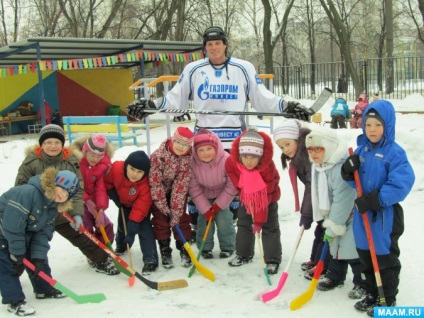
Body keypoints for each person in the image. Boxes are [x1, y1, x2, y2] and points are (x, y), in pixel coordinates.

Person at [126, 26, 313, 150]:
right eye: (209, 44)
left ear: (225, 45)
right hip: (204, 139)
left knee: (233, 191)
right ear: (204, 48)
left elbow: (261, 97)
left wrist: (288, 107)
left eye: (217, 43)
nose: (214, 48)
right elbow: (176, 98)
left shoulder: (243, 67)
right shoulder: (194, 69)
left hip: (234, 138)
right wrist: (150, 105)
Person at [341, 100, 415, 316]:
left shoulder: (395, 153)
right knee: (365, 255)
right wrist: (347, 171)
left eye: (377, 125)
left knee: (384, 258)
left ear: (388, 126)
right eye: (368, 124)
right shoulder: (361, 150)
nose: (372, 130)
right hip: (362, 214)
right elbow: (355, 181)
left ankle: (387, 299)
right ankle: (373, 293)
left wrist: (376, 200)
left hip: (384, 215)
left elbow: (402, 182)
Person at [14, 124, 119, 276]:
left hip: (62, 211)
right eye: (48, 142)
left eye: (57, 142)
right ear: (42, 144)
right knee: (27, 244)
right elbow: (20, 189)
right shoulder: (31, 162)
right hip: (37, 212)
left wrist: (77, 213)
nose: (53, 146)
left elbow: (77, 189)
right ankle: (10, 273)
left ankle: (101, 260)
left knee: (81, 235)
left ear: (62, 144)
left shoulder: (69, 160)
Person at [0, 168, 78, 317]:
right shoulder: (27, 193)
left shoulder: (52, 207)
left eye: (66, 194)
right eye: (61, 188)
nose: (61, 194)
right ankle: (15, 301)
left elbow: (43, 233)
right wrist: (18, 252)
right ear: (52, 184)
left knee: (38, 259)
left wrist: (38, 257)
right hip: (3, 231)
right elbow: (12, 226)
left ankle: (44, 289)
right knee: (6, 265)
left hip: (21, 233)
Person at [305, 127, 367, 298]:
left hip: (351, 216)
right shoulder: (319, 167)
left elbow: (343, 201)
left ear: (329, 147)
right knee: (335, 249)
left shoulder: (341, 170)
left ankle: (362, 283)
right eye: (310, 149)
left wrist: (332, 225)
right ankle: (335, 276)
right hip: (333, 216)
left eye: (319, 148)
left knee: (352, 251)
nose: (314, 153)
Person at [272, 119, 330, 279]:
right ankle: (316, 260)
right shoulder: (300, 156)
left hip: (328, 199)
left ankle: (323, 265)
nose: (285, 149)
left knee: (326, 232)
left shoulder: (308, 156)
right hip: (320, 199)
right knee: (321, 230)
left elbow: (313, 187)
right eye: (281, 147)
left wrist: (306, 214)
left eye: (287, 144)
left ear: (298, 139)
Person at [225, 128, 282, 274]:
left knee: (269, 228)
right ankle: (243, 254)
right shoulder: (233, 163)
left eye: (253, 157)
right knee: (244, 224)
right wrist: (242, 186)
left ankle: (272, 260)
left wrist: (258, 221)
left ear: (261, 157)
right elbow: (230, 171)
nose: (249, 161)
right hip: (246, 197)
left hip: (267, 199)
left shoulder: (267, 168)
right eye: (245, 157)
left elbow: (266, 192)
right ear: (240, 155)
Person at [104, 150, 159, 275]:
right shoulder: (116, 169)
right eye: (132, 169)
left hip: (140, 207)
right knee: (123, 225)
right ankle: (121, 245)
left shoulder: (146, 184)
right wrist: (114, 195)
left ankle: (150, 260)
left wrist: (133, 229)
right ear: (126, 166)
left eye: (140, 172)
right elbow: (107, 181)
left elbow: (140, 208)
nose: (135, 174)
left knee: (144, 230)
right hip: (123, 203)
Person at [149, 127, 194, 269]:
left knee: (180, 219)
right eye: (179, 143)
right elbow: (155, 183)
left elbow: (181, 187)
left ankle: (183, 248)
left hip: (177, 191)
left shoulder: (187, 159)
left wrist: (175, 211)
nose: (182, 147)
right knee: (161, 220)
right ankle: (165, 250)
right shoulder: (158, 156)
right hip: (159, 191)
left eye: (186, 145)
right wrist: (162, 205)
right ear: (172, 140)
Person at [189, 129, 237, 259]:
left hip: (223, 194)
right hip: (203, 196)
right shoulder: (192, 163)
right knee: (204, 220)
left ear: (216, 147)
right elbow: (194, 188)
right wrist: (206, 209)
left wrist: (218, 205)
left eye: (209, 148)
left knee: (224, 219)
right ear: (195, 151)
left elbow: (232, 185)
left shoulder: (227, 160)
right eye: (201, 150)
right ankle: (205, 247)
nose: (205, 153)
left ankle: (228, 246)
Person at [69, 135, 115, 248]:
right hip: (78, 201)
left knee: (104, 225)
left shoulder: (102, 165)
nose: (95, 159)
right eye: (92, 155)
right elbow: (75, 185)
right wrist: (86, 200)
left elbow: (101, 188)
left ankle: (104, 249)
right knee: (86, 227)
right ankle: (93, 253)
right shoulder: (76, 162)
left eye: (99, 156)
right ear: (85, 151)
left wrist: (100, 209)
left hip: (94, 202)